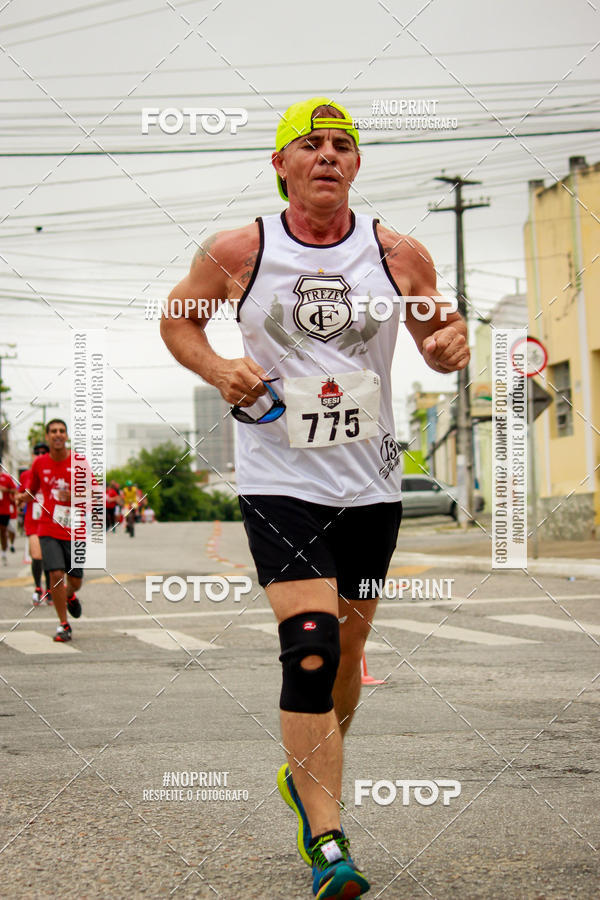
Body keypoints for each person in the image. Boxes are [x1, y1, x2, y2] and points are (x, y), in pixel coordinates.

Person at [161, 97, 470, 898]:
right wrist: (219, 366)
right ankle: (328, 838)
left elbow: (440, 344)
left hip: (371, 487)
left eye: (342, 146)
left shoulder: (398, 252)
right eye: (311, 146)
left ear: (357, 166)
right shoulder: (240, 249)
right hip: (278, 478)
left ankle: (301, 772)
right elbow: (177, 323)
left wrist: (450, 343)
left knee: (347, 660)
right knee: (310, 641)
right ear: (281, 166)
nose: (328, 156)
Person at [27, 419, 85, 642]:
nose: (57, 434)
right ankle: (64, 624)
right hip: (48, 527)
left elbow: (94, 494)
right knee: (56, 573)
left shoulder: (79, 462)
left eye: (61, 431)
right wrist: (24, 496)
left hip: (76, 530)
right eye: (53, 431)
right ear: (48, 436)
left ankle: (69, 595)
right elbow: (32, 489)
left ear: (66, 435)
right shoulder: (39, 463)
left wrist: (75, 496)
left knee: (75, 581)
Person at [18, 442, 52, 605]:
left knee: (50, 559)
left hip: (51, 521)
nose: (39, 455)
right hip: (33, 522)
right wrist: (20, 500)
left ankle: (50, 588)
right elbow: (19, 497)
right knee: (37, 556)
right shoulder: (25, 476)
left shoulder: (53, 473)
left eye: (43, 453)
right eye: (36, 453)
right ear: (32, 455)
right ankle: (38, 587)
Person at [0, 467, 18, 566]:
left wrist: (5, 490)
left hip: (4, 510)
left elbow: (14, 490)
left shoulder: (6, 478)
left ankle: (5, 551)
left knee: (4, 531)